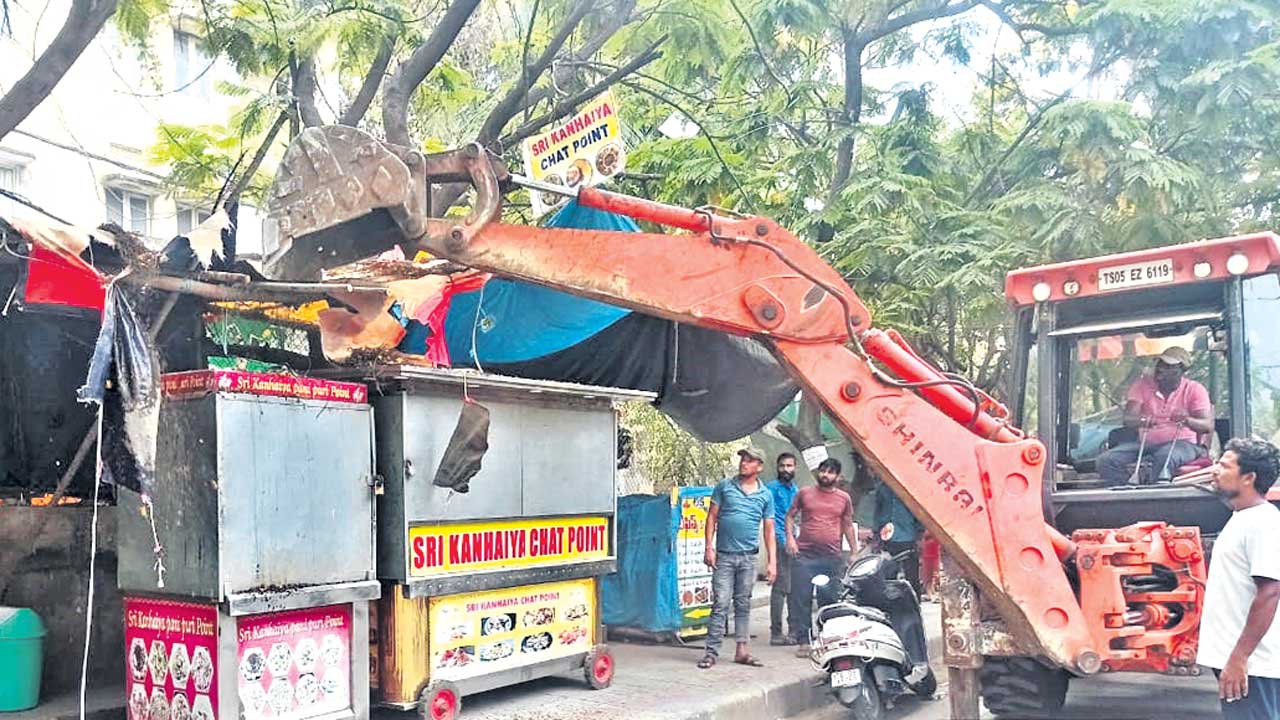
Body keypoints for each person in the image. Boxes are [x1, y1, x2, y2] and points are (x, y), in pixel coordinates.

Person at [1199, 437, 1280, 719]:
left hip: (1253, 665)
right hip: (1241, 661)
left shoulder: (1262, 524)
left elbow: (1270, 592)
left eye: (1224, 465)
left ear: (1249, 478)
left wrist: (1240, 657)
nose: (1214, 471)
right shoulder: (1243, 519)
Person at [697, 447, 777, 669]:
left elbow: (769, 530)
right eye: (743, 459)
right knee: (721, 602)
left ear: (759, 467)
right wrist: (708, 548)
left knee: (743, 604)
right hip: (724, 556)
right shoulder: (724, 487)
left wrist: (772, 563)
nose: (744, 463)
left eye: (750, 461)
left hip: (749, 559)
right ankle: (711, 652)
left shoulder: (765, 495)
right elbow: (711, 518)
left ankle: (742, 651)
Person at [1098, 346, 1213, 485]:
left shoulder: (1195, 389)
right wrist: (1143, 420)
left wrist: (1186, 420)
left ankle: (1157, 501)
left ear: (1180, 371)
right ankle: (1126, 495)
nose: (1160, 369)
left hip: (1183, 445)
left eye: (1167, 366)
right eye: (1159, 364)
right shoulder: (1141, 385)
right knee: (1107, 460)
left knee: (1164, 457)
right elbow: (1128, 420)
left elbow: (1206, 426)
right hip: (1146, 444)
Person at [786, 457, 857, 654]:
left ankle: (827, 638)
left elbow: (848, 524)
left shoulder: (844, 498)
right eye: (823, 470)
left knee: (829, 599)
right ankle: (804, 641)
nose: (825, 475)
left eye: (830, 471)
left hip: (831, 558)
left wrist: (854, 551)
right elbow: (790, 516)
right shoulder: (805, 493)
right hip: (804, 557)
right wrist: (791, 539)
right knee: (802, 598)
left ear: (838, 476)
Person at [766, 453, 800, 645]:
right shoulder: (771, 489)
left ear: (795, 468)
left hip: (793, 541)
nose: (786, 470)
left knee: (794, 588)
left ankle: (793, 630)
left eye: (789, 466)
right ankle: (776, 633)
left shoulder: (795, 490)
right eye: (782, 466)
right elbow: (769, 519)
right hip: (779, 541)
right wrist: (783, 540)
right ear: (777, 468)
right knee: (781, 587)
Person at [875, 480, 924, 595]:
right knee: (888, 574)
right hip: (887, 537)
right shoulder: (883, 488)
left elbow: (918, 512)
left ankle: (915, 604)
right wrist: (877, 532)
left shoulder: (911, 487)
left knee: (911, 575)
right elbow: (878, 511)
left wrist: (920, 533)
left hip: (907, 535)